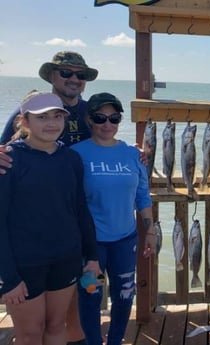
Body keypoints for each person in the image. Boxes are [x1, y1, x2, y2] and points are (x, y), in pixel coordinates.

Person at [0, 51, 99, 345]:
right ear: (25, 121)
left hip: (68, 249)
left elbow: (81, 208)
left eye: (79, 74)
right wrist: (7, 276)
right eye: (66, 73)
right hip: (26, 257)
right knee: (31, 332)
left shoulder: (75, 150)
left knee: (60, 324)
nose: (73, 79)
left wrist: (137, 152)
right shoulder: (13, 159)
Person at [71, 92, 157, 345]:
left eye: (114, 118)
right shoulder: (76, 154)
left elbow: (142, 195)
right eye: (100, 118)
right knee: (90, 294)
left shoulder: (132, 154)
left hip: (124, 241)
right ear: (89, 120)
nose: (107, 124)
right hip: (91, 246)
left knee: (124, 295)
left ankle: (117, 339)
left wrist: (149, 231)